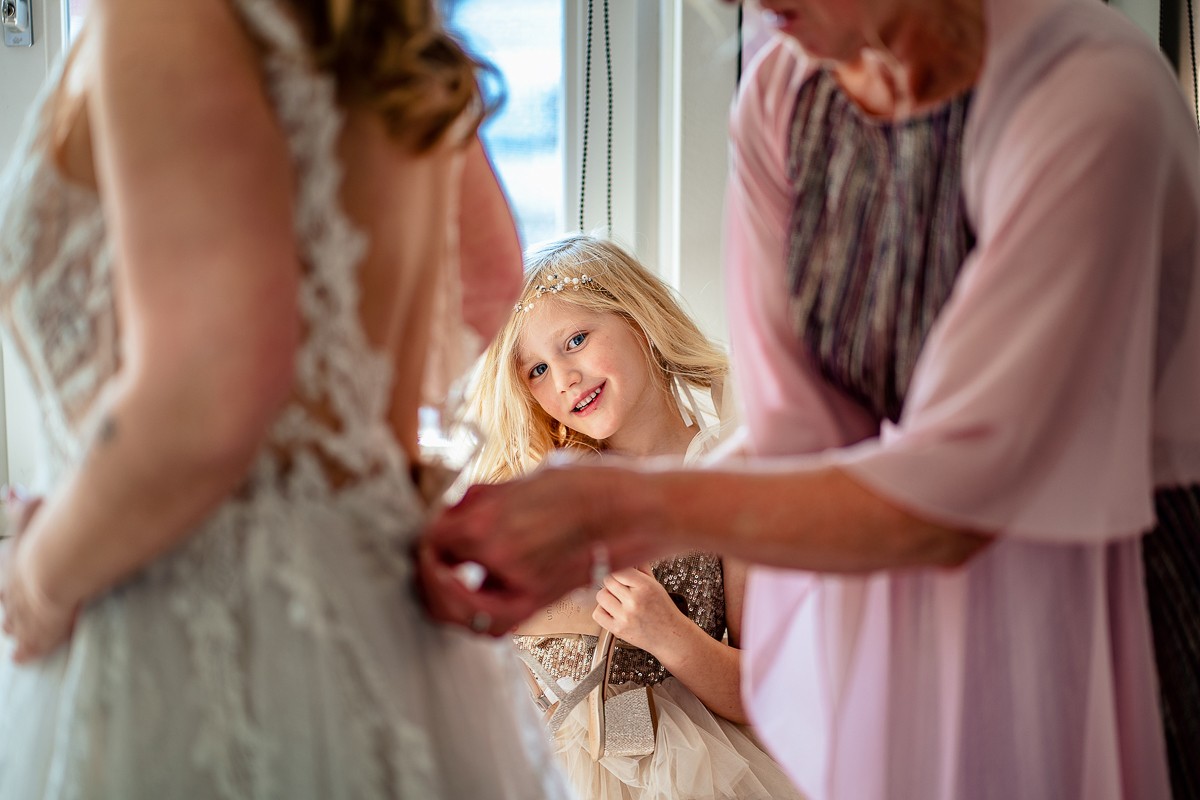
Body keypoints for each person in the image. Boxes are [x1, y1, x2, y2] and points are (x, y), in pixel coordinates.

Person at [420, 0, 1200, 798]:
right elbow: (800, 435)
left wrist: (625, 510)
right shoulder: (782, 97)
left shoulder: (1091, 103)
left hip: (1093, 608)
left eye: (578, 342)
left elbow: (960, 496)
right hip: (885, 611)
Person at [0, 0, 572, 797]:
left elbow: (206, 391)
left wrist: (36, 578)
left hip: (199, 631)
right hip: (390, 611)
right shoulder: (380, 20)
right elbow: (485, 282)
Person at [462, 234, 801, 800]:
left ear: (639, 321)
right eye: (537, 370)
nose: (564, 378)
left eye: (576, 339)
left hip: (681, 771)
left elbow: (756, 690)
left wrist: (666, 633)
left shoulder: (726, 480)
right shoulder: (544, 486)